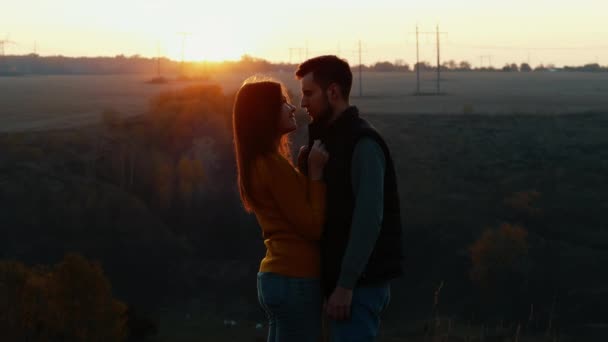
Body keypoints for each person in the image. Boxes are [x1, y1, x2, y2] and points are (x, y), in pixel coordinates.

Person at [295, 55, 404, 341]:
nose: (302, 103)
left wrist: (345, 284)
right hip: (343, 285)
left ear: (333, 92)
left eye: (308, 93)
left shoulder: (363, 144)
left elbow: (369, 219)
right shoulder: (325, 143)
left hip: (359, 287)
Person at [232, 78, 330, 342]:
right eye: (283, 102)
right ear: (265, 114)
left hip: (277, 277)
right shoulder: (272, 165)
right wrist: (318, 174)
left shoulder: (257, 164)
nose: (292, 108)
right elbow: (312, 225)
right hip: (295, 277)